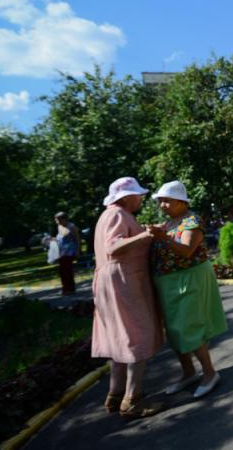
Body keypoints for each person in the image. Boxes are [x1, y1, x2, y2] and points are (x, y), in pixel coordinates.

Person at [92, 177, 164, 419]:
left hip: (112, 282)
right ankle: (133, 400)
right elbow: (114, 247)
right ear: (126, 197)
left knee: (121, 340)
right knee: (137, 336)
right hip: (124, 282)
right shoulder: (117, 215)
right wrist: (147, 235)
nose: (140, 198)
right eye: (137, 195)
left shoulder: (108, 215)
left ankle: (115, 395)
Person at [148, 181, 227, 398]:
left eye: (167, 200)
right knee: (175, 329)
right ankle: (188, 372)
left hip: (188, 277)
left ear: (182, 202)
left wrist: (162, 238)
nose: (162, 205)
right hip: (169, 281)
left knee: (188, 325)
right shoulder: (169, 223)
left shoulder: (191, 220)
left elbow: (187, 251)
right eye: (160, 201)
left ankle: (210, 373)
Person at [54, 212, 80, 295]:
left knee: (66, 270)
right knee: (63, 271)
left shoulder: (71, 227)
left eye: (58, 220)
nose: (57, 222)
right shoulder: (59, 227)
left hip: (70, 252)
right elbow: (60, 239)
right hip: (61, 253)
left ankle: (68, 289)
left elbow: (77, 239)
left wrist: (77, 251)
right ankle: (68, 288)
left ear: (64, 219)